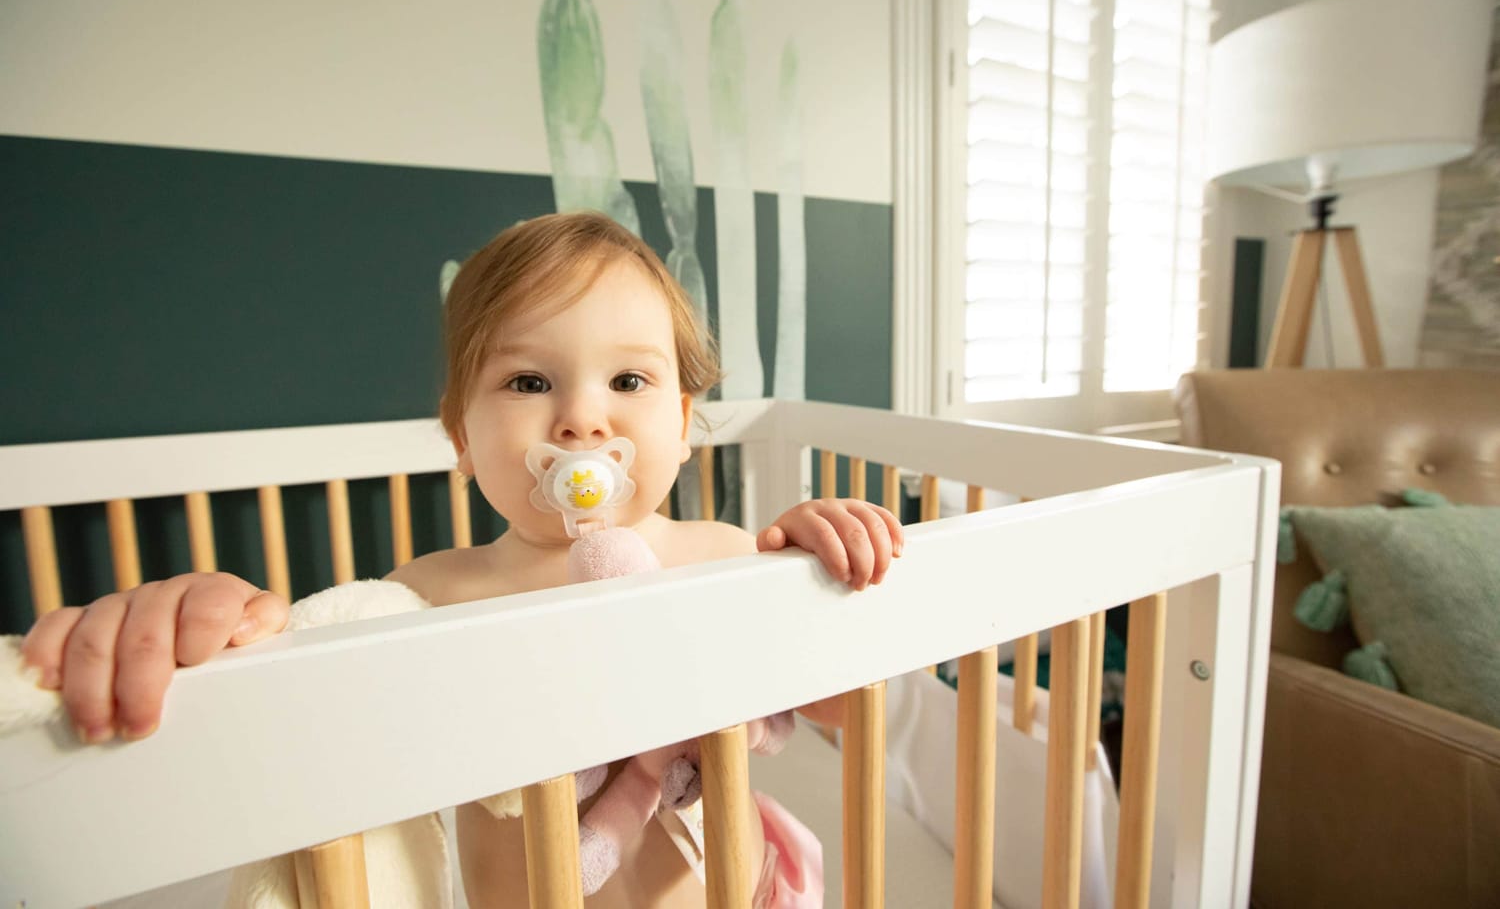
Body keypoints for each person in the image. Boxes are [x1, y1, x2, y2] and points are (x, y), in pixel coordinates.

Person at [19, 210, 903, 908]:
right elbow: (312, 683)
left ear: (680, 421)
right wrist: (219, 625)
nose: (582, 421)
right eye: (528, 382)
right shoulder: (430, 596)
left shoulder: (725, 557)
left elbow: (838, 709)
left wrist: (820, 575)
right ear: (462, 439)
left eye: (628, 382)